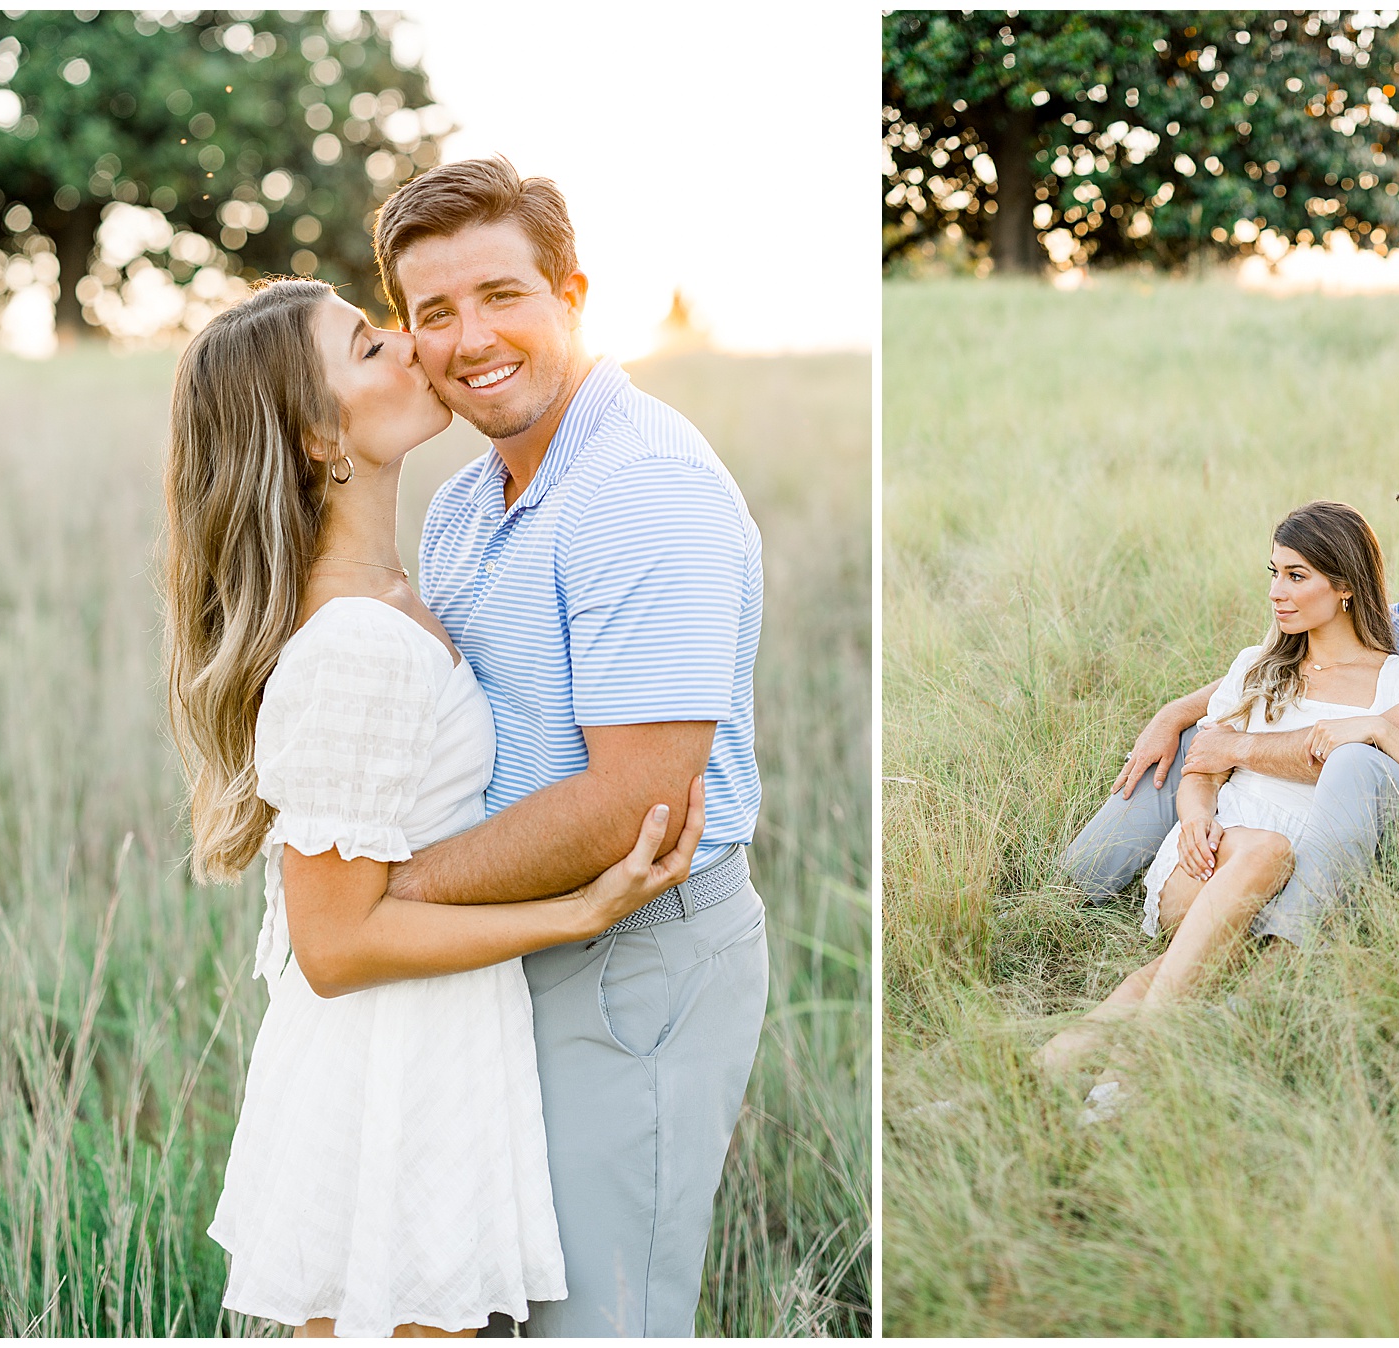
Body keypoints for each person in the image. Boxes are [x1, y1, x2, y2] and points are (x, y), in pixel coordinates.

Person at [164, 278, 706, 1337]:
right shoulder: (353, 644)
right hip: (390, 1067)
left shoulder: (403, 587)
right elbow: (331, 942)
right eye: (369, 348)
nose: (412, 345)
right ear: (321, 437)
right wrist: (577, 911)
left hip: (443, 1033)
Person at [368, 157, 769, 1339]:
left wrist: (387, 899)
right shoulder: (461, 500)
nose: (470, 337)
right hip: (504, 943)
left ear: (573, 293)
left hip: (629, 955)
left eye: (501, 295)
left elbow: (633, 805)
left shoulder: (638, 486)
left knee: (601, 1319)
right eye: (433, 313)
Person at [1036, 502, 1399, 1103]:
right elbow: (1202, 766)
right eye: (1273, 572)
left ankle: (1039, 1076)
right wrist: (1195, 819)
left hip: (1304, 887)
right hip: (1212, 858)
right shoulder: (1258, 667)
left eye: (1296, 576)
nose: (1277, 592)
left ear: (1346, 585)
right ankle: (1133, 1069)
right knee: (1263, 850)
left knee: (1170, 976)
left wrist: (1382, 732)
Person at [1059, 463, 1399, 950]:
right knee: (1197, 740)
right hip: (1385, 788)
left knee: (1345, 760)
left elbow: (1348, 742)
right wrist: (1178, 713)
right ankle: (1072, 888)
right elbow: (1308, 661)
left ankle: (1289, 945)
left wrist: (1236, 746)